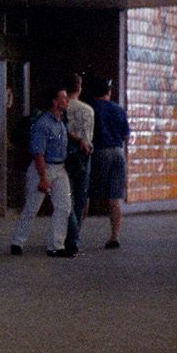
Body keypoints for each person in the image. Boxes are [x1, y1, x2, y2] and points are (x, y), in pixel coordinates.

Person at [10, 82, 74, 257]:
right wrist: (43, 178)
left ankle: (56, 245)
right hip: (43, 167)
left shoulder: (61, 122)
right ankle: (17, 242)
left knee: (64, 206)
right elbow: (38, 153)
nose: (67, 100)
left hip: (59, 167)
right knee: (32, 206)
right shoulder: (43, 125)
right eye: (64, 97)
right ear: (55, 101)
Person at [89, 77, 131, 249]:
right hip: (118, 153)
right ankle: (115, 236)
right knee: (114, 197)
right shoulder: (119, 109)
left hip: (99, 152)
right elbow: (126, 136)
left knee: (86, 193)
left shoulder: (91, 108)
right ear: (109, 91)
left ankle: (74, 237)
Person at [62, 73, 95, 254]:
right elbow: (89, 136)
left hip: (67, 156)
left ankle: (71, 237)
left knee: (68, 197)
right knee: (80, 199)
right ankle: (74, 237)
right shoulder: (88, 110)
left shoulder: (63, 108)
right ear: (79, 88)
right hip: (84, 156)